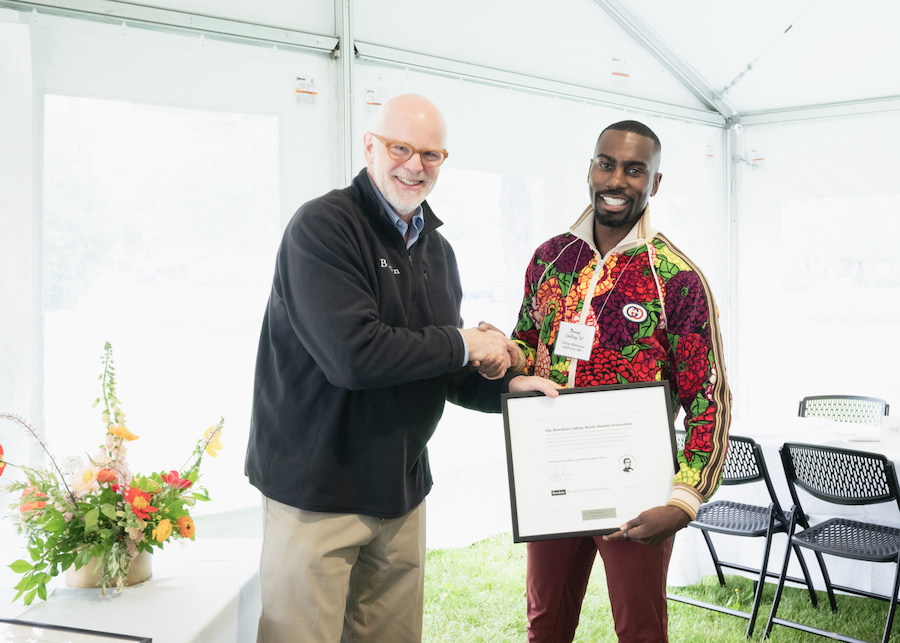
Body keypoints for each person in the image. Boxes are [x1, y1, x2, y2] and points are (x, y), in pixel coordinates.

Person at [244, 93, 552, 643]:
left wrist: (507, 386)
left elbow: (441, 367)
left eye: (430, 154)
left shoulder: (438, 251)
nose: (415, 165)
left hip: (400, 491)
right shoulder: (323, 227)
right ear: (369, 146)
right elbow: (354, 357)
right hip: (316, 493)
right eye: (400, 148)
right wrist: (463, 342)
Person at [508, 120, 731, 642]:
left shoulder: (676, 277)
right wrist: (504, 355)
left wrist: (684, 500)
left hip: (635, 487)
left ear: (654, 183)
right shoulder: (550, 258)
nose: (617, 180)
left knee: (640, 631)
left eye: (635, 170)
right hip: (554, 479)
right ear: (590, 169)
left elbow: (708, 396)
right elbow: (527, 342)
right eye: (607, 164)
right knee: (545, 627)